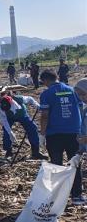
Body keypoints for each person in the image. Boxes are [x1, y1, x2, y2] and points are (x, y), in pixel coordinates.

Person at [39, 70, 84, 205]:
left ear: (45, 80)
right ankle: (77, 196)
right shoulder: (72, 91)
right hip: (74, 133)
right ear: (57, 77)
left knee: (56, 165)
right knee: (75, 164)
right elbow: (81, 108)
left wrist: (42, 134)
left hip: (55, 135)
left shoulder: (46, 94)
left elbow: (45, 115)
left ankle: (58, 198)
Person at [0, 93, 47, 160]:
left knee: (32, 128)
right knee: (6, 132)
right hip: (9, 118)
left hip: (22, 115)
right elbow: (4, 120)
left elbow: (30, 98)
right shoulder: (0, 106)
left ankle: (35, 152)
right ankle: (8, 152)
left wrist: (36, 105)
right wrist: (10, 132)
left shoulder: (19, 99)